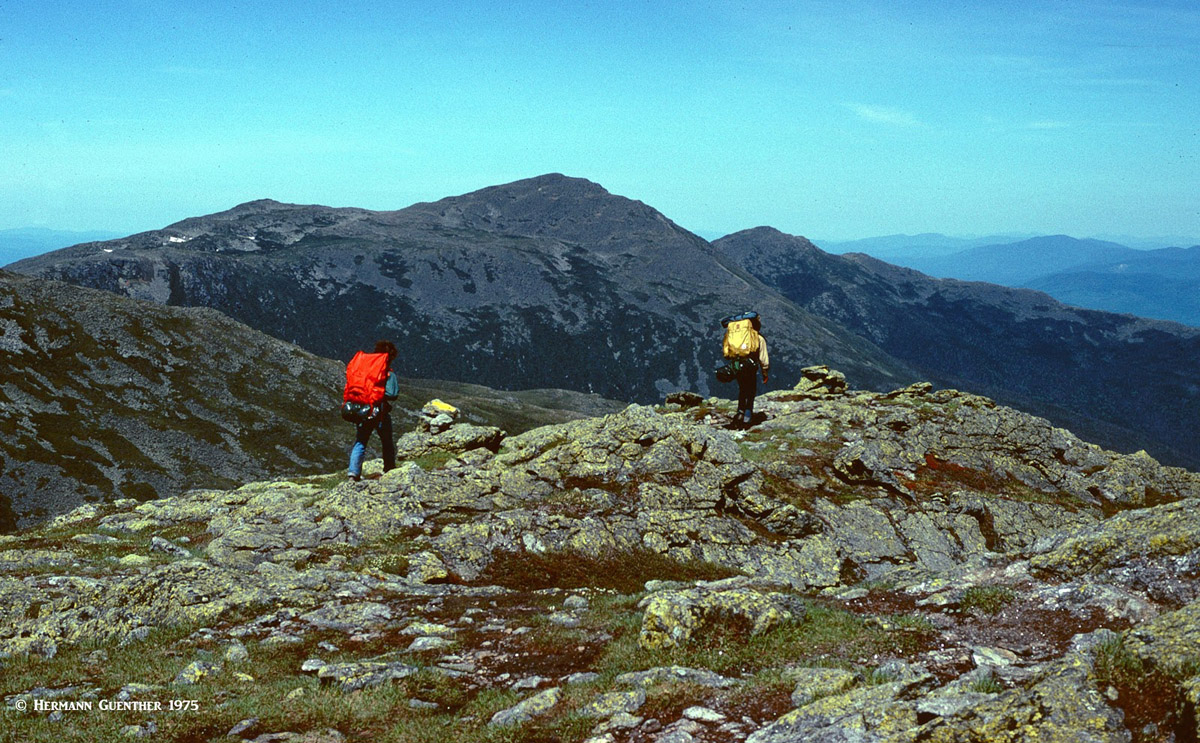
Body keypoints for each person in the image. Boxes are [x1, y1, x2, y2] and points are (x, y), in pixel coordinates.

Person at [348, 340, 400, 481]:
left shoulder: (365, 370)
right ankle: (389, 469)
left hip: (363, 410)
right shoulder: (387, 373)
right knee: (387, 442)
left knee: (361, 441)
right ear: (391, 356)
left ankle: (353, 473)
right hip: (380, 412)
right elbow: (393, 394)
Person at [732, 318, 769, 429]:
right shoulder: (759, 338)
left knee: (742, 390)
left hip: (739, 367)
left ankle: (740, 413)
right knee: (751, 392)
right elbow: (763, 359)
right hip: (751, 369)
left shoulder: (740, 337)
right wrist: (765, 372)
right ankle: (747, 418)